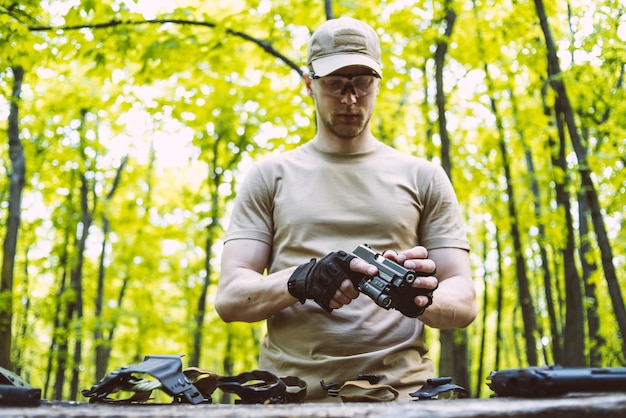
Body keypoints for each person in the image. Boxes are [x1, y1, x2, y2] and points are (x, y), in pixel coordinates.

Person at [215, 16, 477, 402]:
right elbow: (231, 297)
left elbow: (465, 299)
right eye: (335, 84)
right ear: (309, 85)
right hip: (289, 398)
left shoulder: (423, 176)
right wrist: (299, 281)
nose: (350, 99)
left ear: (378, 84)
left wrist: (420, 298)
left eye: (362, 83)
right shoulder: (270, 176)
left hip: (402, 398)